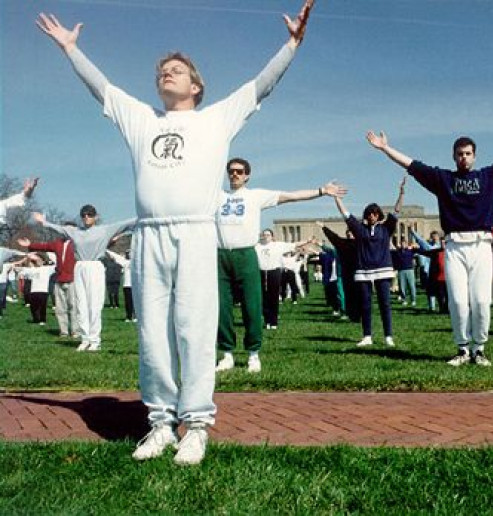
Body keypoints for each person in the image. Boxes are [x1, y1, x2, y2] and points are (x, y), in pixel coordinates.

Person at [36, 0, 314, 465]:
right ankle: (161, 423)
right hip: (150, 237)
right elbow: (101, 88)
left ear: (196, 85)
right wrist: (70, 50)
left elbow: (260, 85)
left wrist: (291, 45)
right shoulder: (141, 119)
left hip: (197, 235)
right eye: (163, 69)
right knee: (154, 334)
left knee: (195, 329)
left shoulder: (216, 118)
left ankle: (197, 427)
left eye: (178, 69)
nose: (168, 72)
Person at [366, 124, 493, 366]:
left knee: (481, 301)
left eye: (468, 153)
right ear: (454, 156)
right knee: (459, 302)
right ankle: (462, 349)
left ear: (474, 155)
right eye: (460, 154)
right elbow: (412, 165)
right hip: (454, 247)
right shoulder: (443, 179)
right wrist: (386, 148)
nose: (464, 157)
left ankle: (479, 349)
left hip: (481, 246)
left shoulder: (489, 176)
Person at [215, 156, 344, 373]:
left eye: (239, 171)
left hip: (246, 254)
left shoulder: (255, 196)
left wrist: (321, 191)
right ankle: (226, 354)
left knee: (252, 305)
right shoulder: (216, 196)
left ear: (247, 175)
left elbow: (291, 196)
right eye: (231, 171)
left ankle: (253, 354)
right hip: (220, 255)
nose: (234, 174)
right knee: (222, 308)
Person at [33, 207, 135, 350]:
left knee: (94, 304)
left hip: (95, 267)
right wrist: (43, 222)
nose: (86, 217)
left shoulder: (105, 229)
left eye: (90, 214)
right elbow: (59, 229)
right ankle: (85, 338)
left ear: (96, 217)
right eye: (83, 215)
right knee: (81, 304)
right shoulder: (75, 232)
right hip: (79, 266)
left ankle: (95, 340)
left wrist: (147, 215)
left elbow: (126, 224)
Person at [332, 177, 406, 347]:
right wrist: (336, 198)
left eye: (375, 213)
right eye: (369, 214)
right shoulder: (359, 229)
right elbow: (346, 215)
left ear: (379, 215)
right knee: (365, 305)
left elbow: (396, 211)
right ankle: (367, 336)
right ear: (366, 216)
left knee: (384, 303)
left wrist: (401, 194)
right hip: (363, 272)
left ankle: (388, 336)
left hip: (383, 270)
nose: (372, 216)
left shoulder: (386, 228)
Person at [18, 234, 79, 337]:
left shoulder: (77, 244)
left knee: (73, 307)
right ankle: (63, 331)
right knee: (60, 308)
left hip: (72, 279)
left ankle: (75, 331)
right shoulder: (58, 244)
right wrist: (30, 245)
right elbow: (44, 246)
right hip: (59, 279)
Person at [106, 249, 136, 322]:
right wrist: (106, 250)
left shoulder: (136, 262)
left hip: (134, 285)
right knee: (128, 302)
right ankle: (128, 316)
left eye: (130, 253)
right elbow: (115, 256)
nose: (129, 255)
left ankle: (134, 316)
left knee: (135, 302)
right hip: (127, 285)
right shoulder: (124, 262)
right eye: (128, 253)